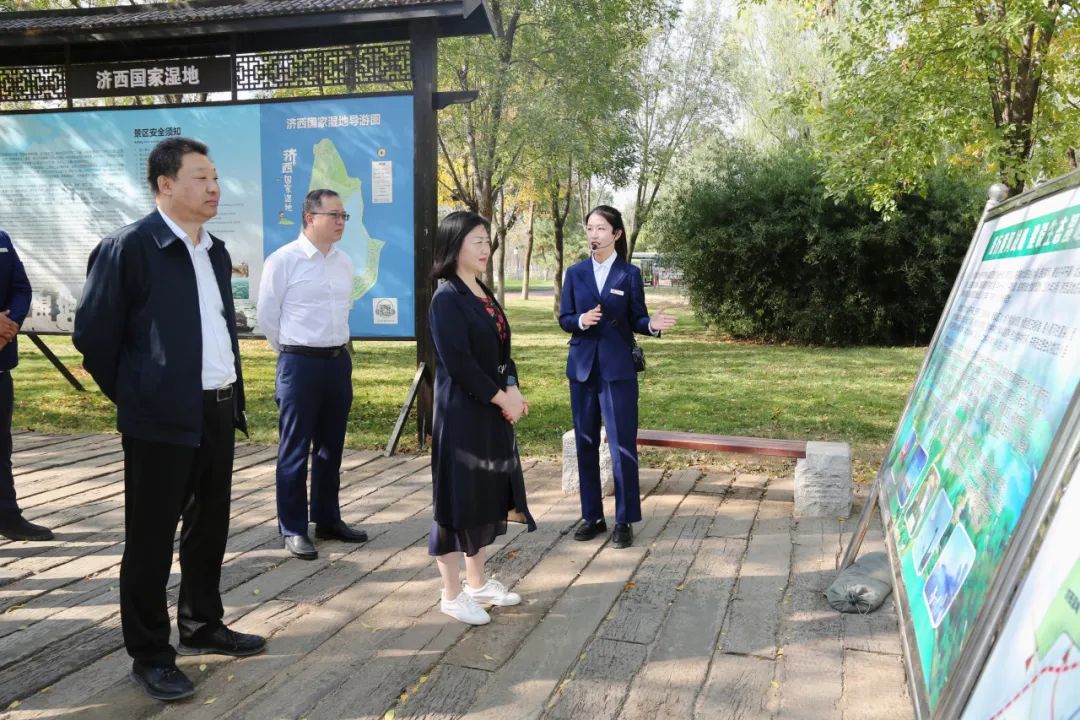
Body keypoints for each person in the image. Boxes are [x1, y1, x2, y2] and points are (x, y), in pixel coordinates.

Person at [73, 137, 265, 702]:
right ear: (165, 184)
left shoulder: (215, 250)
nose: (214, 188)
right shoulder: (129, 248)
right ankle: (151, 654)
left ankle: (202, 623)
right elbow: (94, 338)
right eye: (201, 177)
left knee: (209, 528)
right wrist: (140, 397)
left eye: (215, 177)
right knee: (151, 539)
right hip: (159, 419)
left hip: (217, 407)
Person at [428, 211, 536, 625]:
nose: (485, 247)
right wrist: (502, 398)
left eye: (487, 240)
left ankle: (476, 583)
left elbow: (500, 352)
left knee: (484, 495)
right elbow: (460, 364)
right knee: (457, 501)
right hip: (461, 415)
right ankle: (451, 594)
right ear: (454, 245)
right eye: (477, 240)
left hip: (489, 411)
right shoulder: (446, 298)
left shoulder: (481, 291)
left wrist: (512, 389)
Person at [256, 189, 368, 560]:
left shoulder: (344, 262)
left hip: (337, 362)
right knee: (294, 448)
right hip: (299, 363)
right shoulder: (283, 261)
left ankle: (327, 518)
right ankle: (293, 527)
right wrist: (292, 351)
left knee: (330, 447)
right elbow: (268, 317)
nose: (341, 222)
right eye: (334, 215)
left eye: (344, 216)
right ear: (309, 218)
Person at [559, 205, 676, 549]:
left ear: (616, 234)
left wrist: (651, 325)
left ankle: (624, 519)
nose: (593, 234)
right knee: (585, 443)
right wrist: (581, 321)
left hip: (618, 370)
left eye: (600, 228)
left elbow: (637, 318)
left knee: (622, 444)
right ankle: (592, 516)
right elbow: (565, 318)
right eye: (589, 228)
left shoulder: (629, 274)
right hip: (582, 369)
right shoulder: (575, 273)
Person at [0, 229, 53, 542]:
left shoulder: (2, 239)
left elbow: (21, 289)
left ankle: (7, 516)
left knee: (1, 446)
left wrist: (8, 326)